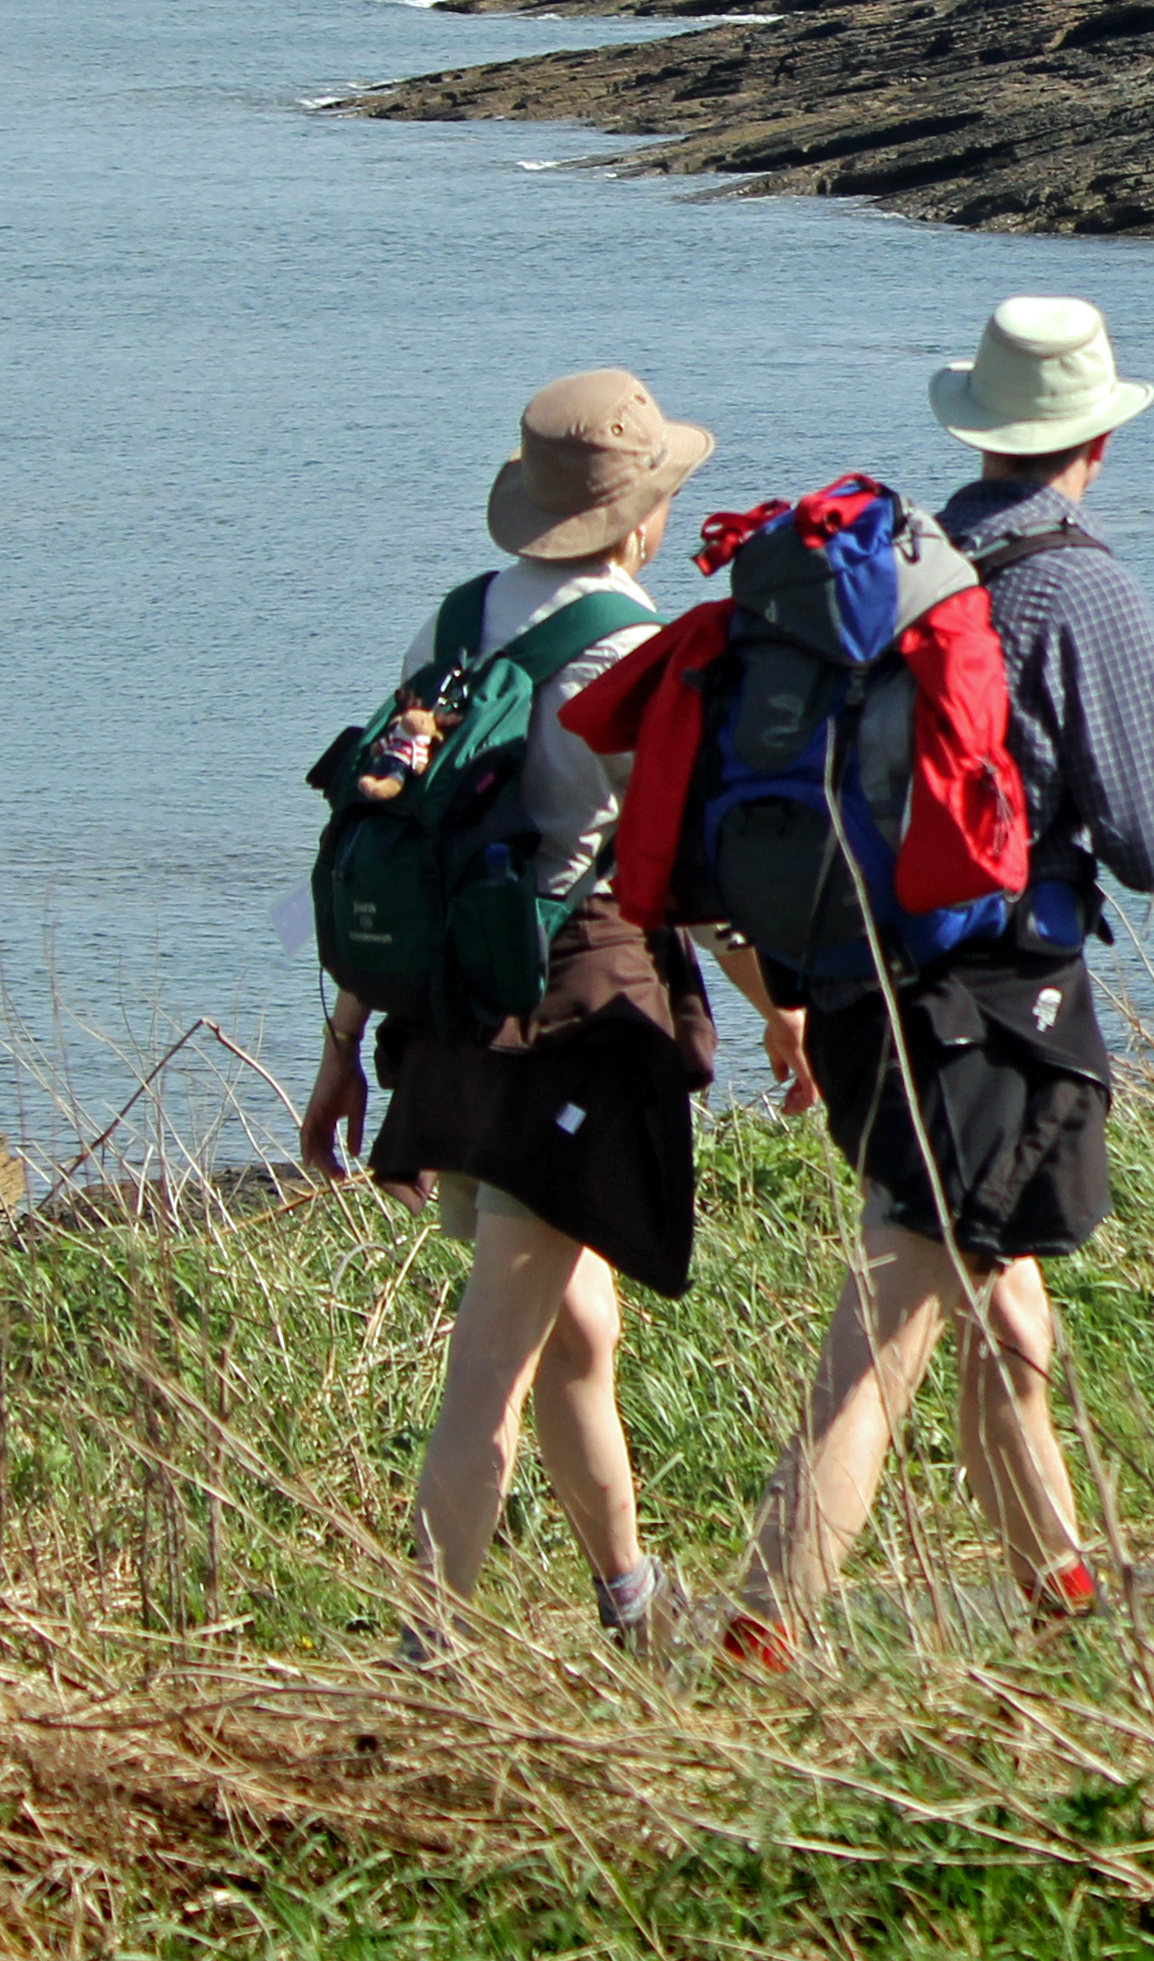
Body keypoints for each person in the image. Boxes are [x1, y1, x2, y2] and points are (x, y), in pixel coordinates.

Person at [723, 295, 1154, 1670]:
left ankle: (1059, 1587)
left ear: (981, 436)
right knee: (893, 1315)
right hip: (995, 995)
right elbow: (1134, 833)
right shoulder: (1081, 585)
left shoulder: (906, 567)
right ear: (1097, 443)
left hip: (855, 979)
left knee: (1001, 1293)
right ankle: (761, 1624)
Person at [299, 368, 793, 1661]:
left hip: (451, 1016)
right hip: (570, 1017)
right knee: (494, 1360)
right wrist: (780, 1010)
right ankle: (429, 1647)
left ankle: (628, 1598)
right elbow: (678, 869)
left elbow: (388, 832)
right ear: (637, 518)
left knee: (579, 1328)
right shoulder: (630, 647)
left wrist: (345, 1045)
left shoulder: (455, 625)